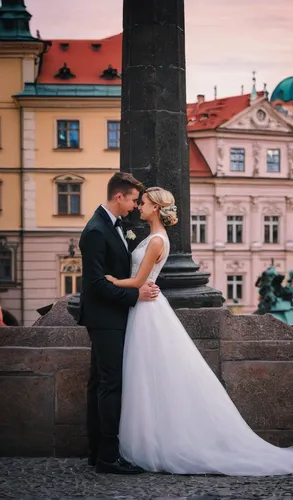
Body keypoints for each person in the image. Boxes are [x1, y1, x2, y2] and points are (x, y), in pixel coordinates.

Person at [105, 186, 293, 476]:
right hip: (149, 307)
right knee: (151, 374)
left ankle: (152, 441)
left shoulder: (155, 242)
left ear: (157, 208)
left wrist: (110, 280)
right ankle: (151, 438)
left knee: (147, 373)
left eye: (145, 203)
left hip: (147, 308)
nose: (140, 207)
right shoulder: (157, 238)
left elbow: (138, 280)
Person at [78, 172, 160, 475]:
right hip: (105, 318)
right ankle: (108, 458)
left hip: (107, 317)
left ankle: (97, 453)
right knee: (110, 385)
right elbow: (96, 284)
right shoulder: (97, 230)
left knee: (99, 383)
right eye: (134, 200)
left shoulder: (110, 226)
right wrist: (135, 294)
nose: (135, 206)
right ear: (119, 197)